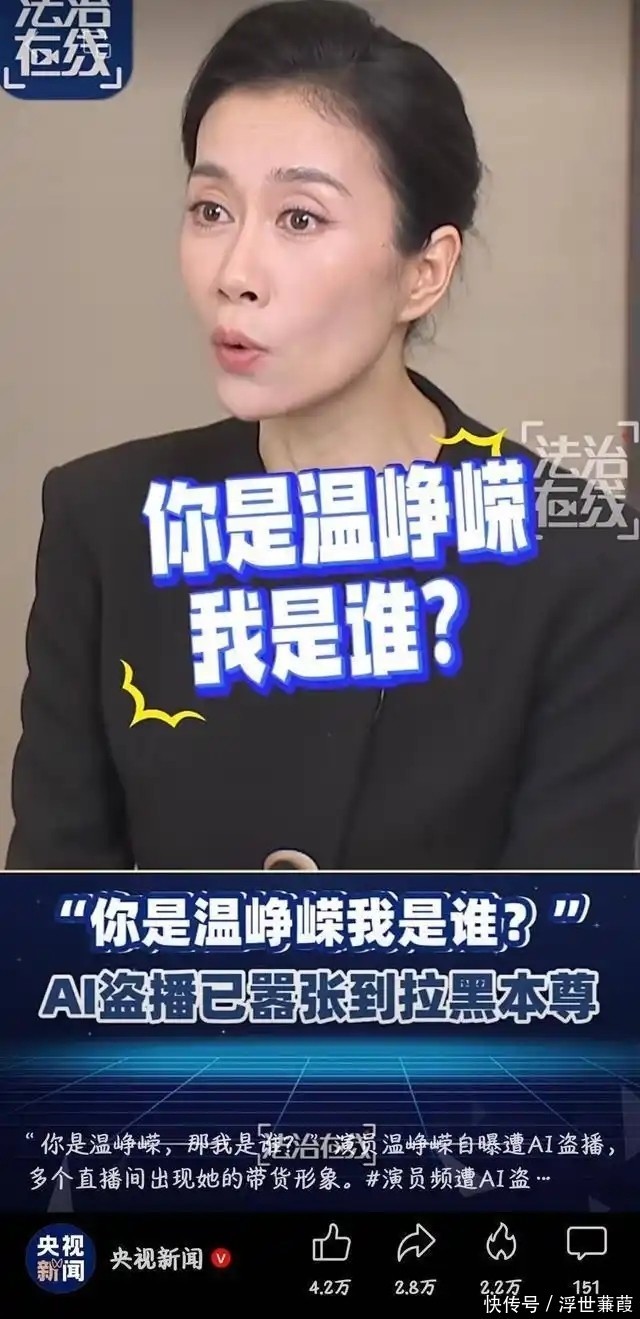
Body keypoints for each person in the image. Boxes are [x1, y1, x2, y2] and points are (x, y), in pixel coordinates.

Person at [6, 0, 640, 872]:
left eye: (300, 218)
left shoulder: (580, 562)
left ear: (425, 270)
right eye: (211, 209)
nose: (235, 274)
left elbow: (559, 935)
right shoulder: (106, 523)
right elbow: (56, 915)